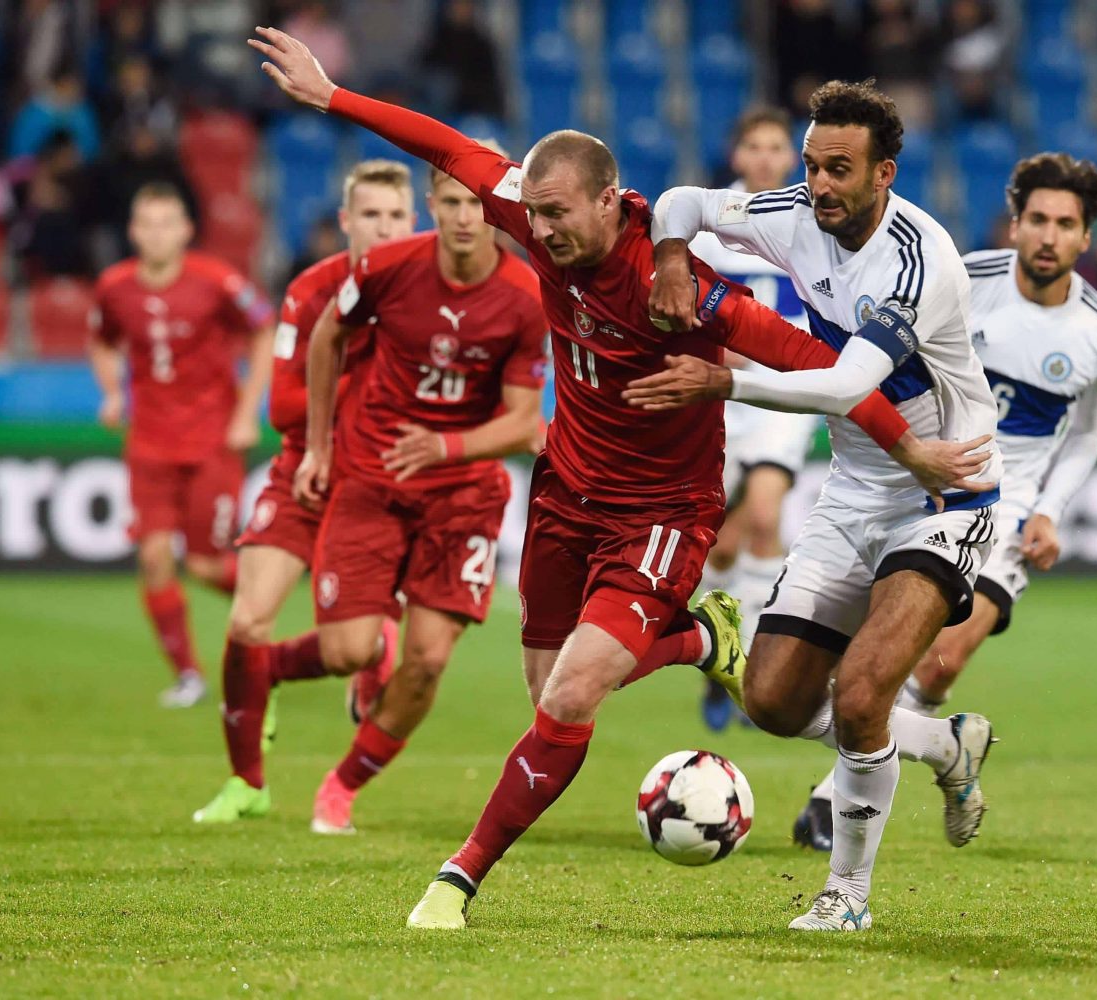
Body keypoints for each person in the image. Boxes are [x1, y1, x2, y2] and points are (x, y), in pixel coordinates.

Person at [248, 25, 943, 929]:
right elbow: (450, 149)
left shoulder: (686, 291)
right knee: (548, 697)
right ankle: (703, 641)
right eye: (529, 214)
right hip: (564, 493)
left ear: (611, 202)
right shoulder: (537, 222)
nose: (536, 232)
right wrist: (333, 96)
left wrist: (914, 452)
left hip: (659, 515)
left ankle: (457, 880)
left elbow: (826, 366)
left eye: (556, 216)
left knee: (573, 693)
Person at [634, 79, 1001, 932]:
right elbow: (681, 201)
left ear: (886, 174)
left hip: (943, 494)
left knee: (868, 694)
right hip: (853, 494)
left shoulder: (920, 259)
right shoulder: (799, 209)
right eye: (811, 165)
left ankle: (847, 896)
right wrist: (673, 257)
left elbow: (843, 385)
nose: (820, 185)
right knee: (772, 702)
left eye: (839, 169)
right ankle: (947, 746)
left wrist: (724, 379)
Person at [791, 152, 1097, 851]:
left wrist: (1051, 511)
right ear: (1015, 224)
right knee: (848, 666)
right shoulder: (960, 279)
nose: (1047, 235)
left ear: (1085, 238)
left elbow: (1088, 429)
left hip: (1005, 511)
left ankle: (833, 801)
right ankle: (948, 743)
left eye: (1064, 224)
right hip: (926, 486)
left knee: (935, 661)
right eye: (1036, 218)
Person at [298, 163, 550, 835]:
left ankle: (342, 786)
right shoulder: (385, 267)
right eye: (452, 201)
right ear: (431, 206)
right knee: (349, 650)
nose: (467, 216)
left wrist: (446, 448)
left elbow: (525, 421)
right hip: (373, 476)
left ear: (501, 212)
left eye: (480, 204)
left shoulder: (527, 296)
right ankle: (369, 650)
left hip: (463, 493)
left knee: (429, 660)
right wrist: (318, 447)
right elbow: (329, 334)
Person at [192, 159, 416, 825]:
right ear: (346, 222)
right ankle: (246, 782)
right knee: (246, 620)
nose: (384, 227)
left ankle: (326, 664)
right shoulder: (311, 291)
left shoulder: (432, 297)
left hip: (384, 486)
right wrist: (376, 393)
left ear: (415, 222)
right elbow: (286, 407)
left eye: (396, 216)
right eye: (370, 215)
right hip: (306, 472)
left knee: (353, 649)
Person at [89, 182, 274, 707]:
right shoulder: (114, 286)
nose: (156, 233)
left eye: (167, 222)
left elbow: (264, 330)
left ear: (187, 230)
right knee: (153, 558)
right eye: (146, 223)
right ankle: (189, 675)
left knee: (207, 565)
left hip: (212, 441)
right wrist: (110, 394)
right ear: (132, 231)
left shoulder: (217, 281)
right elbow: (101, 340)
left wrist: (245, 412)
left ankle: (264, 604)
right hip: (148, 444)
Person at [688, 106, 818, 731]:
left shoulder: (812, 226)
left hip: (786, 396)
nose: (767, 157)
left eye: (777, 146)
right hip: (723, 398)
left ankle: (756, 662)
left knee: (766, 517)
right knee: (721, 543)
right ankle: (724, 657)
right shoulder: (709, 229)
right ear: (737, 155)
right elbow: (681, 308)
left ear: (791, 157)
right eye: (755, 146)